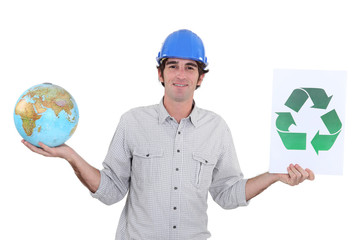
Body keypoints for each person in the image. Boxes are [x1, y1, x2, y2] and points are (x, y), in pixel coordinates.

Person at [22, 29, 315, 240]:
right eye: (172, 65)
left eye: (190, 67)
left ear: (201, 78)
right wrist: (70, 155)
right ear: (160, 73)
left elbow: (227, 194)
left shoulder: (217, 129)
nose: (180, 74)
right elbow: (110, 191)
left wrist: (275, 175)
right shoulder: (132, 122)